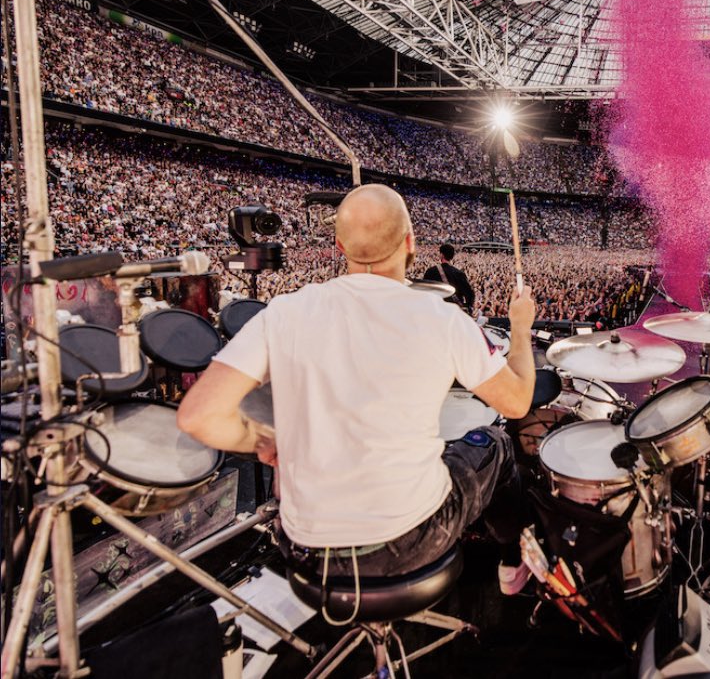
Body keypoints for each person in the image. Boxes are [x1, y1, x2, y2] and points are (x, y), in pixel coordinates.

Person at [177, 184, 537, 593]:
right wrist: (521, 328)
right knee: (495, 443)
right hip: (412, 538)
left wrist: (264, 438)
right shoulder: (444, 319)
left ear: (338, 244)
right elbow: (519, 401)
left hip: (306, 548)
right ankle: (511, 567)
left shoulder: (285, 312)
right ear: (410, 242)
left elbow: (198, 415)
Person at [424, 243, 475, 312]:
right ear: (452, 256)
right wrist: (467, 306)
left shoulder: (431, 272)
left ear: (441, 255)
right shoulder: (459, 273)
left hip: (436, 309)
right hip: (454, 311)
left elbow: (425, 291)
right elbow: (469, 293)